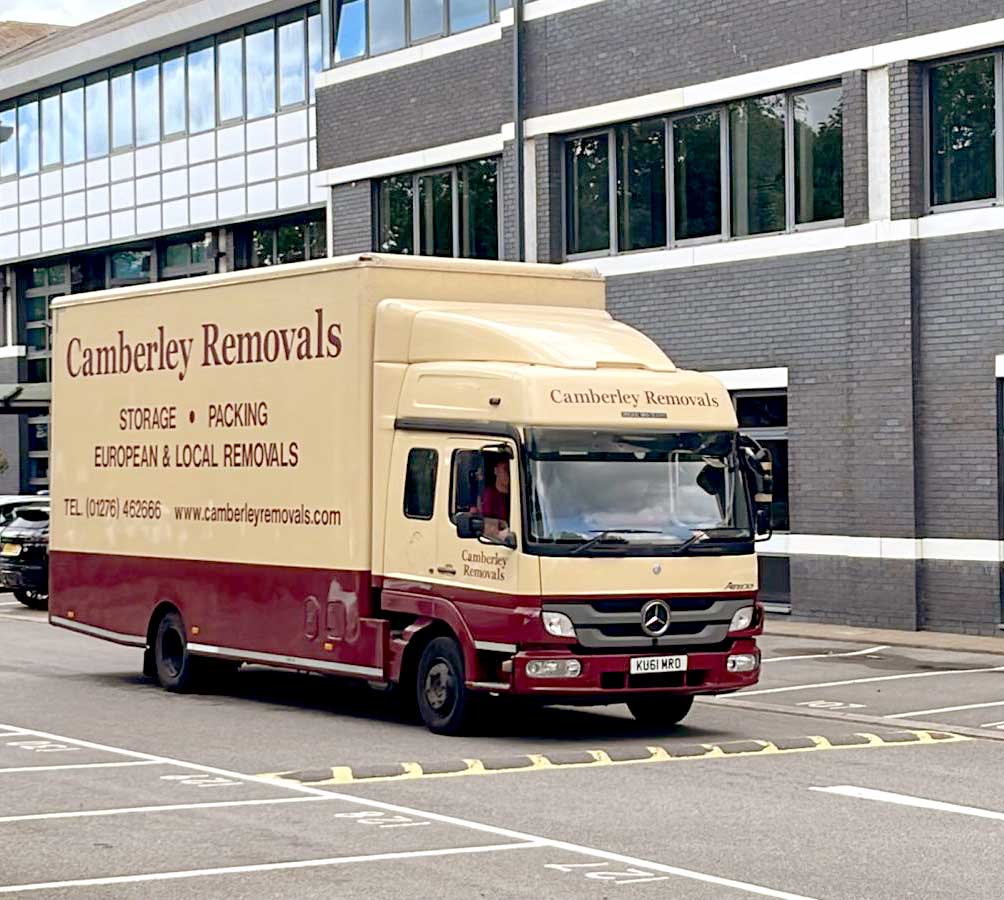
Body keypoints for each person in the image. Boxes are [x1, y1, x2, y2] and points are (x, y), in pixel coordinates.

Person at [478, 457, 512, 542]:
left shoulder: (520, 496)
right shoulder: (488, 496)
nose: (508, 473)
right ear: (496, 471)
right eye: (505, 469)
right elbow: (487, 525)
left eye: (510, 470)